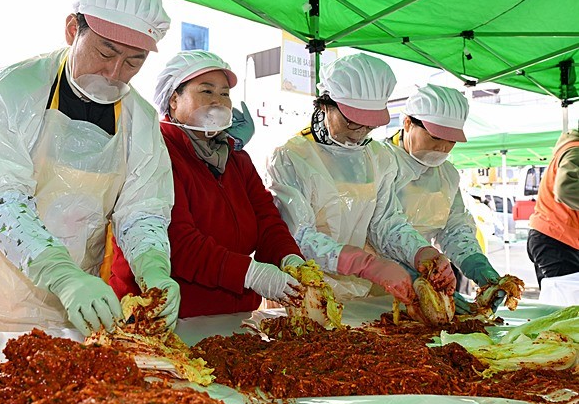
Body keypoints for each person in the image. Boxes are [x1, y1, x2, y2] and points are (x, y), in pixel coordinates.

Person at [0, 0, 179, 336]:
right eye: (106, 52)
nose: (115, 72)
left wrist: (154, 269)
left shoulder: (142, 121)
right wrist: (61, 275)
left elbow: (142, 210)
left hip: (78, 309)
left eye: (134, 62)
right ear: (73, 29)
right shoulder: (12, 90)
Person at [109, 51, 305, 316]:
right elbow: (178, 241)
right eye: (206, 91)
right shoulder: (158, 153)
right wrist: (251, 273)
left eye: (225, 94)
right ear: (174, 99)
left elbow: (267, 220)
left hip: (232, 318)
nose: (218, 101)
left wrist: (289, 257)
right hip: (167, 317)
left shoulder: (236, 160)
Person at [267, 53, 455, 305]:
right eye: (353, 122)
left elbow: (386, 223)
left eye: (369, 126)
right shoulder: (292, 157)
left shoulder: (378, 157)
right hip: (303, 293)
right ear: (324, 106)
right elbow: (297, 235)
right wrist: (364, 264)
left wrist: (422, 252)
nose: (360, 133)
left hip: (357, 295)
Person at [385, 84, 504, 313]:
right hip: (372, 286)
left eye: (451, 140)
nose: (442, 147)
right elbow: (377, 230)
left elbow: (454, 227)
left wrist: (476, 264)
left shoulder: (447, 174)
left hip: (425, 277)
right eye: (435, 137)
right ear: (408, 123)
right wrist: (410, 275)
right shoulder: (378, 163)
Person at [527, 127, 579, 282]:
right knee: (564, 303)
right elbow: (566, 189)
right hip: (555, 239)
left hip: (561, 239)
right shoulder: (575, 151)